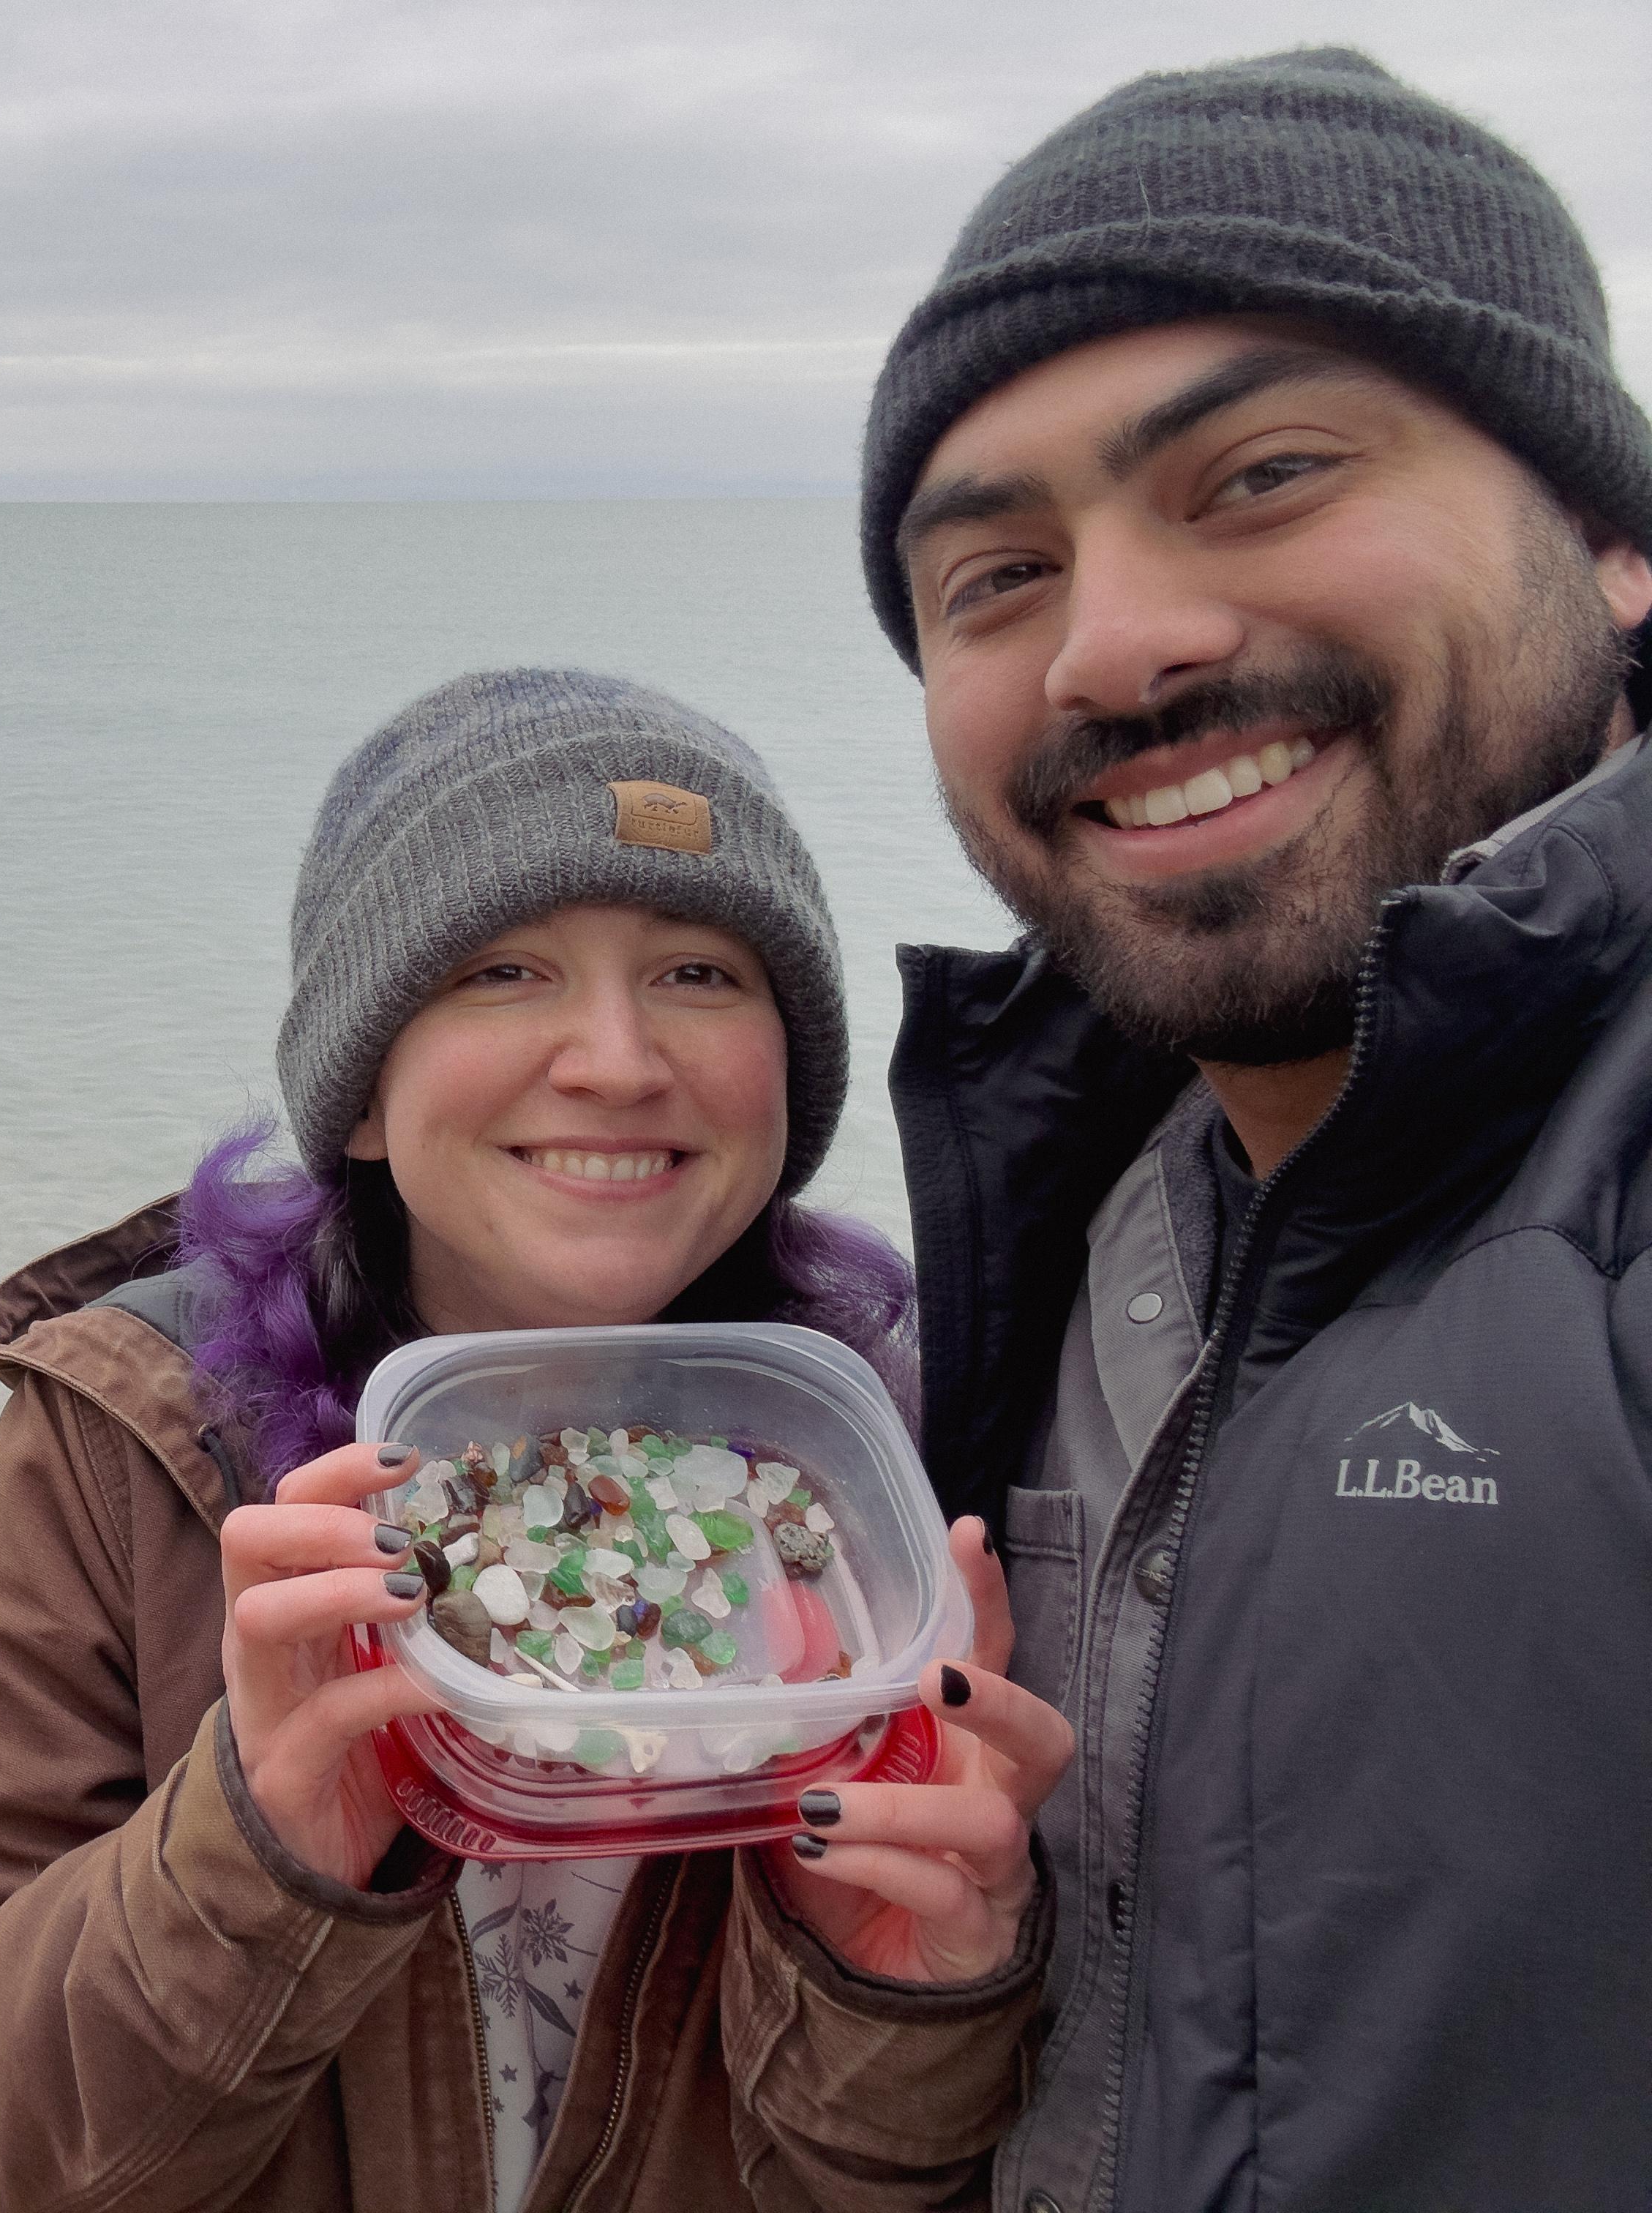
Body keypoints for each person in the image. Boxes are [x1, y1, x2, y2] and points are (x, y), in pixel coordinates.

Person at [0, 668, 1075, 2213]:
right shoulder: (128, 1444)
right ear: (360, 1099)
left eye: (698, 974)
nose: (615, 1058)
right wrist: (258, 1858)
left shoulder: (902, 1487)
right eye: (504, 971)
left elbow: (911, 2178)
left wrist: (906, 1991)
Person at [856, 45, 1652, 2213]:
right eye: (994, 579)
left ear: (1610, 535)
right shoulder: (1076, 1208)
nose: (1115, 647)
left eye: (1267, 470)